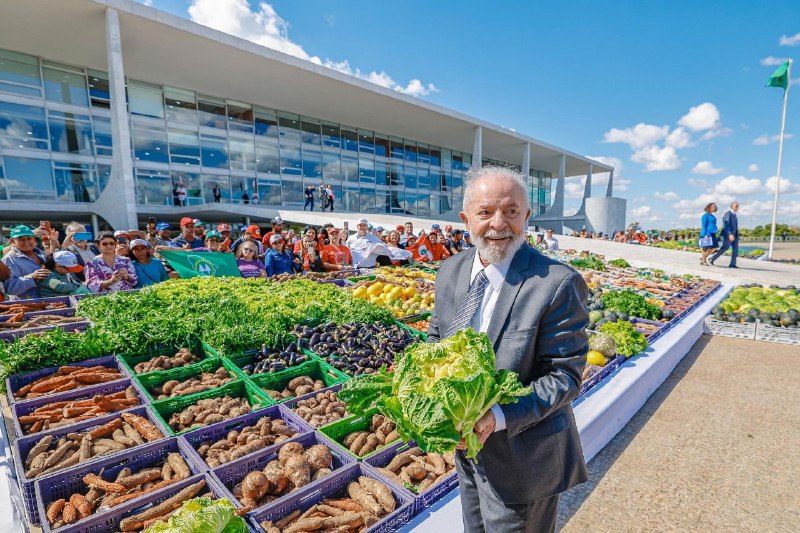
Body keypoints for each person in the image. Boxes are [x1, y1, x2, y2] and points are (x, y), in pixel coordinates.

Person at [427, 165, 589, 532]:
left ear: (526, 216)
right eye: (485, 213)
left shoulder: (557, 284)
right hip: (467, 455)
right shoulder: (450, 271)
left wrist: (496, 416)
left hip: (524, 461)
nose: (499, 223)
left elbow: (564, 376)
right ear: (466, 219)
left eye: (511, 211)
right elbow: (437, 341)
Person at [2, 225, 50, 299]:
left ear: (34, 239)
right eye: (21, 239)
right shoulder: (9, 259)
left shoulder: (42, 254)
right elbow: (9, 288)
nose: (26, 242)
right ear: (12, 241)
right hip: (27, 305)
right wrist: (32, 277)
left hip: (49, 301)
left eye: (29, 238)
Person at [709, 202, 740, 268]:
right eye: (736, 206)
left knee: (735, 249)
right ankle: (712, 258)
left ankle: (732, 264)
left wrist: (736, 235)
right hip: (729, 235)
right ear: (732, 206)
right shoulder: (728, 214)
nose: (737, 207)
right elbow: (726, 225)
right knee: (724, 248)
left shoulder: (734, 215)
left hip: (735, 236)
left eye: (738, 206)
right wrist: (730, 234)